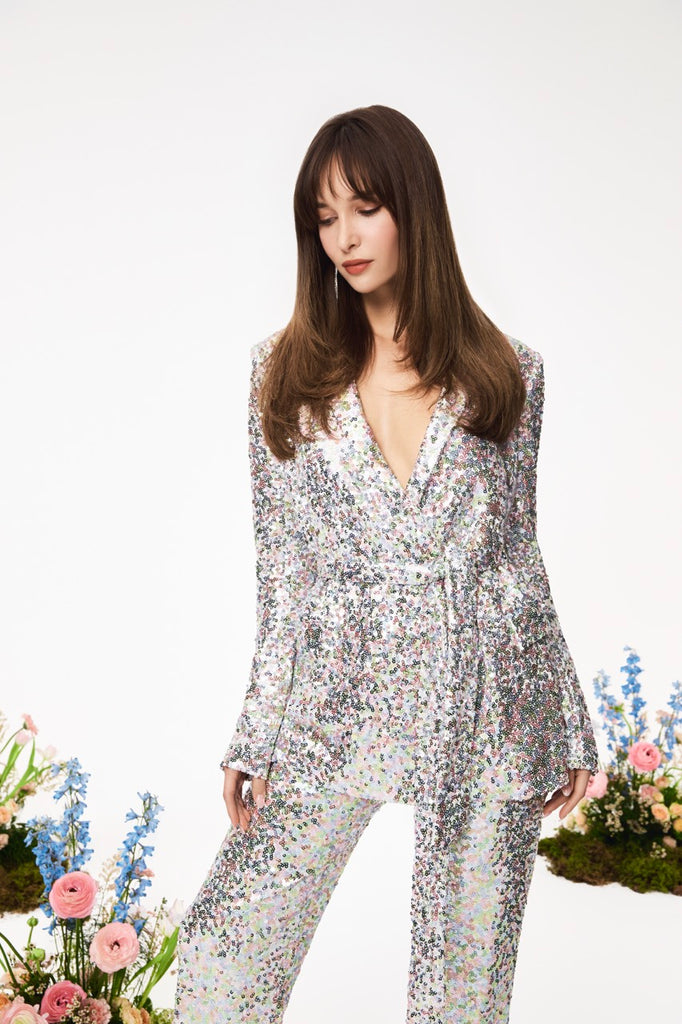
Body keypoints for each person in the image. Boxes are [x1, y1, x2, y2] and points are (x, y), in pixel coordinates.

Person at [173, 104, 599, 1024]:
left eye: (365, 208)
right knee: (219, 958)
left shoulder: (509, 372)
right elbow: (284, 572)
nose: (345, 238)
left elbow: (517, 558)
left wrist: (569, 719)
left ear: (414, 207)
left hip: (488, 700)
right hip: (339, 695)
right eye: (324, 217)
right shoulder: (281, 373)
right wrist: (257, 731)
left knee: (463, 996)